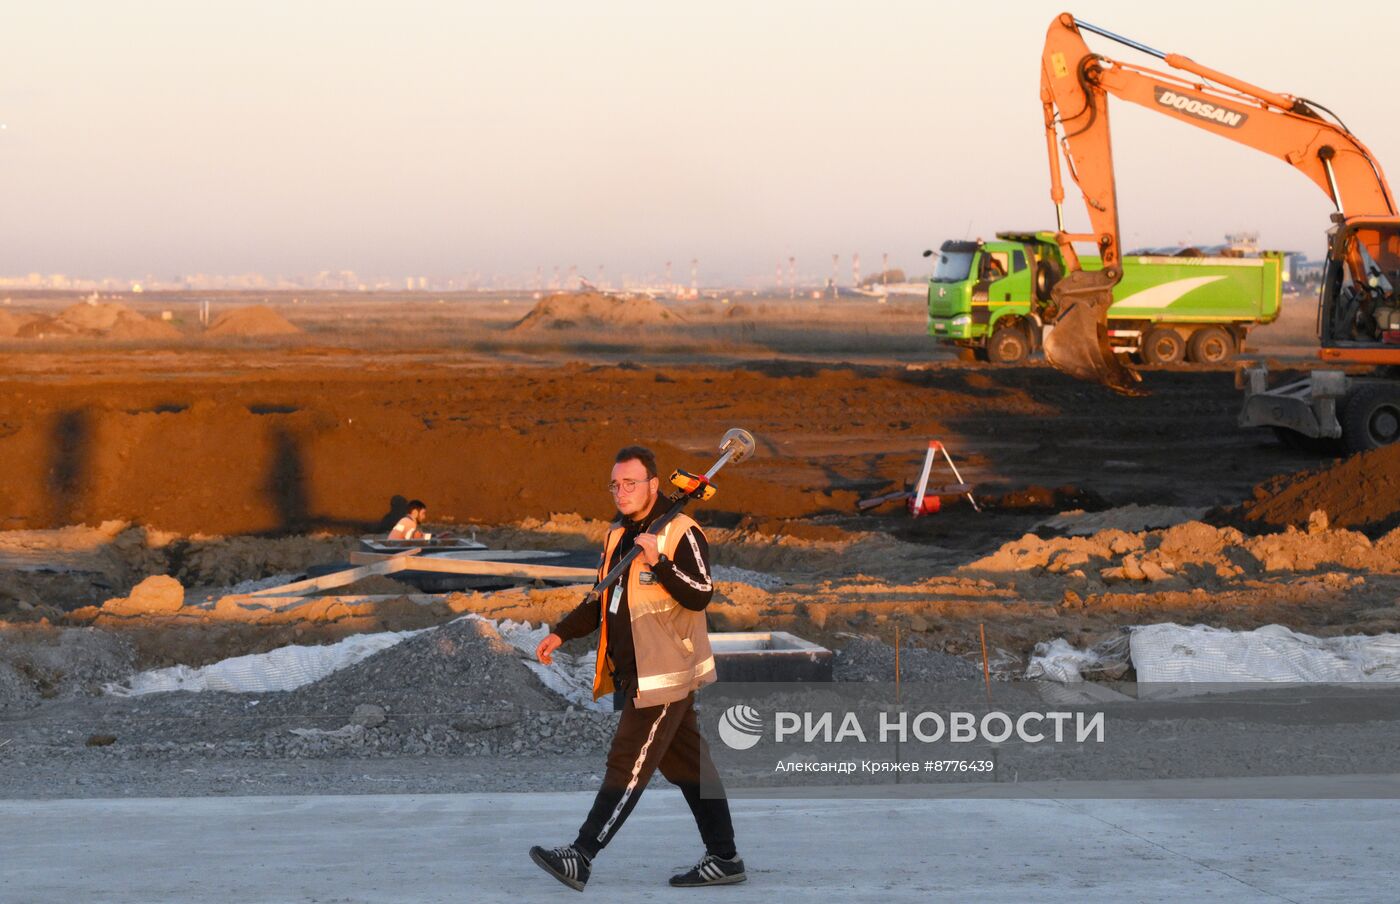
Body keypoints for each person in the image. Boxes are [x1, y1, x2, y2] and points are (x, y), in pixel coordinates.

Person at [529, 445, 744, 891]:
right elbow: (602, 598)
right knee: (691, 769)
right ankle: (725, 858)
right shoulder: (617, 536)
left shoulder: (681, 531)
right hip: (633, 672)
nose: (621, 492)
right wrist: (561, 633)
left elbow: (701, 594)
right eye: (616, 484)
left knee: (628, 763)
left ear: (653, 484)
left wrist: (659, 562)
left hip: (665, 674)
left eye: (631, 483)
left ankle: (582, 854)